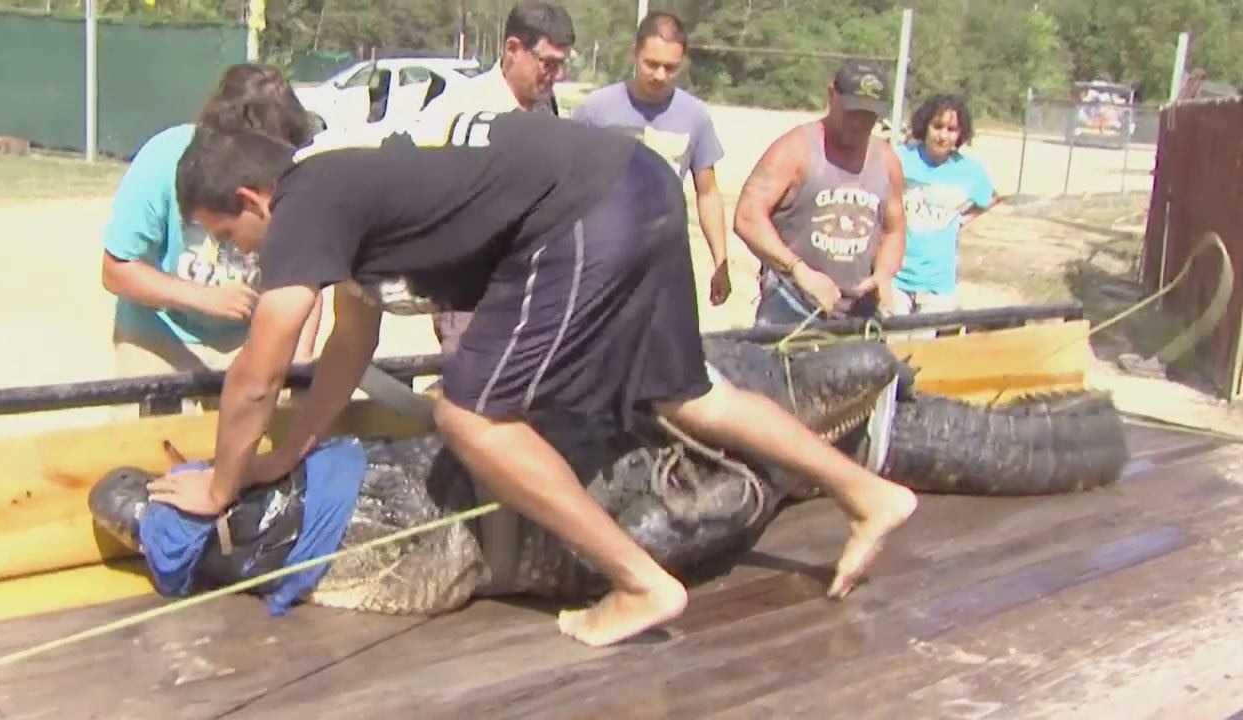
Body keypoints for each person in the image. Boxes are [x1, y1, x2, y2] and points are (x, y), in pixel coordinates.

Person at [150, 110, 918, 647]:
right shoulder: (348, 188)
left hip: (582, 210)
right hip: (641, 184)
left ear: (252, 200)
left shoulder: (304, 201)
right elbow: (352, 340)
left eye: (231, 235)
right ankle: (870, 495)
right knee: (688, 396)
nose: (246, 254)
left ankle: (640, 584)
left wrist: (220, 487)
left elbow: (258, 370)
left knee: (471, 417)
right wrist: (291, 450)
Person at [100, 63, 322, 417]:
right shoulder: (164, 157)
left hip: (254, 341)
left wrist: (298, 359)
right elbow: (117, 269)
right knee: (147, 456)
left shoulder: (297, 172)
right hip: (161, 338)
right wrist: (203, 298)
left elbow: (309, 273)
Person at [406, 1, 576, 356]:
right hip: (471, 294)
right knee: (471, 398)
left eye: (563, 65)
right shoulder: (461, 109)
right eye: (548, 63)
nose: (556, 75)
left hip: (530, 288)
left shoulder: (546, 106)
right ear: (513, 49)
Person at [572, 11, 731, 306]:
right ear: (635, 54)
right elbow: (566, 184)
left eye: (670, 67)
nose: (660, 75)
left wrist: (721, 261)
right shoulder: (595, 110)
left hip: (664, 260)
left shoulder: (695, 117)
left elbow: (707, 193)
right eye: (651, 64)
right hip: (602, 257)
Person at [733, 60, 906, 326]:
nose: (859, 123)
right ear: (831, 96)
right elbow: (747, 217)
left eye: (869, 115)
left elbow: (894, 230)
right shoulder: (795, 149)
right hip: (791, 305)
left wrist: (884, 273)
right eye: (852, 111)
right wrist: (798, 269)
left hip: (858, 313)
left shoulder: (886, 159)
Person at [892, 94, 999, 317]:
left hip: (938, 285)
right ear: (925, 126)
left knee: (927, 349)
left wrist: (962, 219)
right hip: (896, 278)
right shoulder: (900, 158)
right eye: (937, 127)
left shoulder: (970, 171)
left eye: (951, 129)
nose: (943, 136)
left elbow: (991, 197)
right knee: (895, 347)